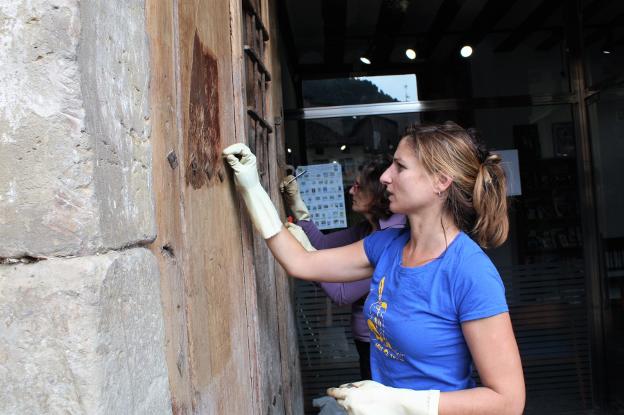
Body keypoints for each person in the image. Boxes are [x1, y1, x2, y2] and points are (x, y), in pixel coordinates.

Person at [223, 121, 525, 415]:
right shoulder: (387, 245)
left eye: (400, 167)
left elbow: (508, 401)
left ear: (441, 181)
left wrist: (401, 404)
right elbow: (300, 262)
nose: (385, 177)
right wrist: (253, 189)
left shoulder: (470, 273)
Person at [280, 157, 406, 380]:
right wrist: (297, 203)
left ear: (377, 194)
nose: (351, 191)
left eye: (358, 186)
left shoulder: (391, 239)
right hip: (366, 339)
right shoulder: (368, 229)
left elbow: (341, 293)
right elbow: (323, 244)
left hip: (381, 345)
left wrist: (305, 252)